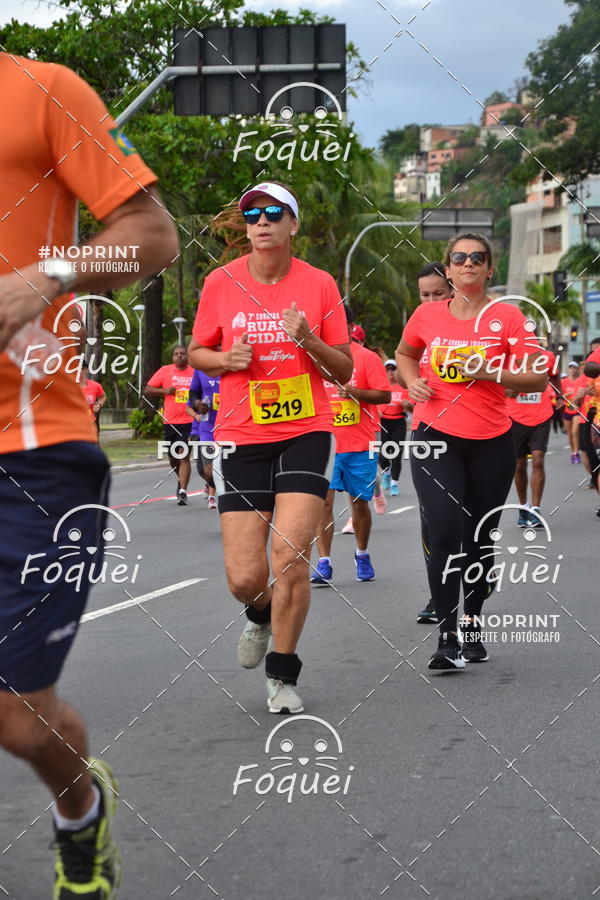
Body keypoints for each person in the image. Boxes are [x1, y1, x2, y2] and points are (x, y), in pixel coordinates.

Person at [0, 52, 177, 897]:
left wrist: (46, 276)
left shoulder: (42, 90)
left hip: (31, 450)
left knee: (16, 715)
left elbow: (152, 235)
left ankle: (80, 807)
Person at [188, 181, 352, 714]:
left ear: (292, 224)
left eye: (273, 212)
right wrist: (223, 361)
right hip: (242, 433)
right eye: (252, 213)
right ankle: (259, 613)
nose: (261, 220)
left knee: (290, 558)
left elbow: (344, 368)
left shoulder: (320, 284)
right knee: (244, 577)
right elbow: (196, 351)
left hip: (306, 428)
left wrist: (308, 339)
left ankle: (282, 674)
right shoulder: (221, 282)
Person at [396, 233, 547, 669]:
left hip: (490, 442)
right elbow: (406, 353)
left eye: (477, 258)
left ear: (489, 269)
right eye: (459, 258)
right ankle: (446, 637)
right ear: (447, 268)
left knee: (478, 538)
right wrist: (410, 381)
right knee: (442, 531)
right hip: (433, 435)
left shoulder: (510, 317)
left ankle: (473, 621)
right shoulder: (426, 315)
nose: (467, 264)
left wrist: (490, 370)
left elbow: (536, 377)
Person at [312, 306, 390, 585]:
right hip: (326, 444)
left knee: (359, 504)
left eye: (337, 323)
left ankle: (362, 553)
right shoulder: (315, 359)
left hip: (361, 443)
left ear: (350, 326)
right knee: (323, 503)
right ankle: (324, 562)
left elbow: (384, 395)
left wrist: (355, 393)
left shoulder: (367, 359)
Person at [412, 263, 452, 625]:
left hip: (477, 434)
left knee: (470, 522)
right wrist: (412, 382)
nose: (430, 300)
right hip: (427, 429)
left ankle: (478, 574)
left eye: (437, 293)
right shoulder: (420, 323)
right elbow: (406, 358)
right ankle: (437, 596)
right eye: (424, 294)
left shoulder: (472, 323)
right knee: (433, 519)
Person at [506, 347, 562, 527]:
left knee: (538, 460)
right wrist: (509, 390)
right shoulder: (507, 357)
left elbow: (554, 375)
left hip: (542, 415)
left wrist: (559, 396)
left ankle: (536, 510)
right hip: (515, 416)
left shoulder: (547, 357)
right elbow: (498, 382)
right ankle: (523, 507)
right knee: (519, 464)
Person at [145, 345, 195, 505]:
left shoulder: (195, 372)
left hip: (189, 420)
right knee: (173, 458)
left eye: (182, 354)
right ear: (173, 357)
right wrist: (165, 391)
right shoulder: (166, 371)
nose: (180, 356)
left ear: (187, 356)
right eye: (176, 354)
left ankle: (183, 491)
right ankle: (180, 479)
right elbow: (148, 389)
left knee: (183, 455)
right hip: (170, 421)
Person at [186, 368, 220, 509]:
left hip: (228, 426)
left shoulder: (233, 366)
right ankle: (218, 487)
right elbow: (193, 394)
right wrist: (197, 403)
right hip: (206, 427)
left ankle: (220, 497)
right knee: (203, 471)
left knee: (217, 469)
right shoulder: (200, 369)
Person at [379, 359, 411, 495]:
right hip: (384, 422)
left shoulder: (403, 387)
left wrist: (407, 405)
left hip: (399, 422)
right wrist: (377, 411)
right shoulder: (382, 387)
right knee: (383, 455)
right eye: (388, 369)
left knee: (397, 454)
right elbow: (374, 403)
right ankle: (386, 473)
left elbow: (412, 408)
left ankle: (394, 484)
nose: (391, 371)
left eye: (393, 368)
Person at [561, 361, 585, 462]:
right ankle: (573, 452)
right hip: (567, 410)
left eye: (574, 368)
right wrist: (567, 394)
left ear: (577, 369)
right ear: (568, 369)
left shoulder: (580, 380)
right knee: (570, 433)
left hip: (577, 410)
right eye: (571, 368)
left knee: (575, 432)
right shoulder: (564, 381)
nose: (572, 370)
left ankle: (576, 452)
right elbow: (559, 397)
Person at [80, 361, 106, 439]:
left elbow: (103, 396)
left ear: (86, 370)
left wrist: (99, 404)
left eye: (80, 368)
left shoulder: (95, 386)